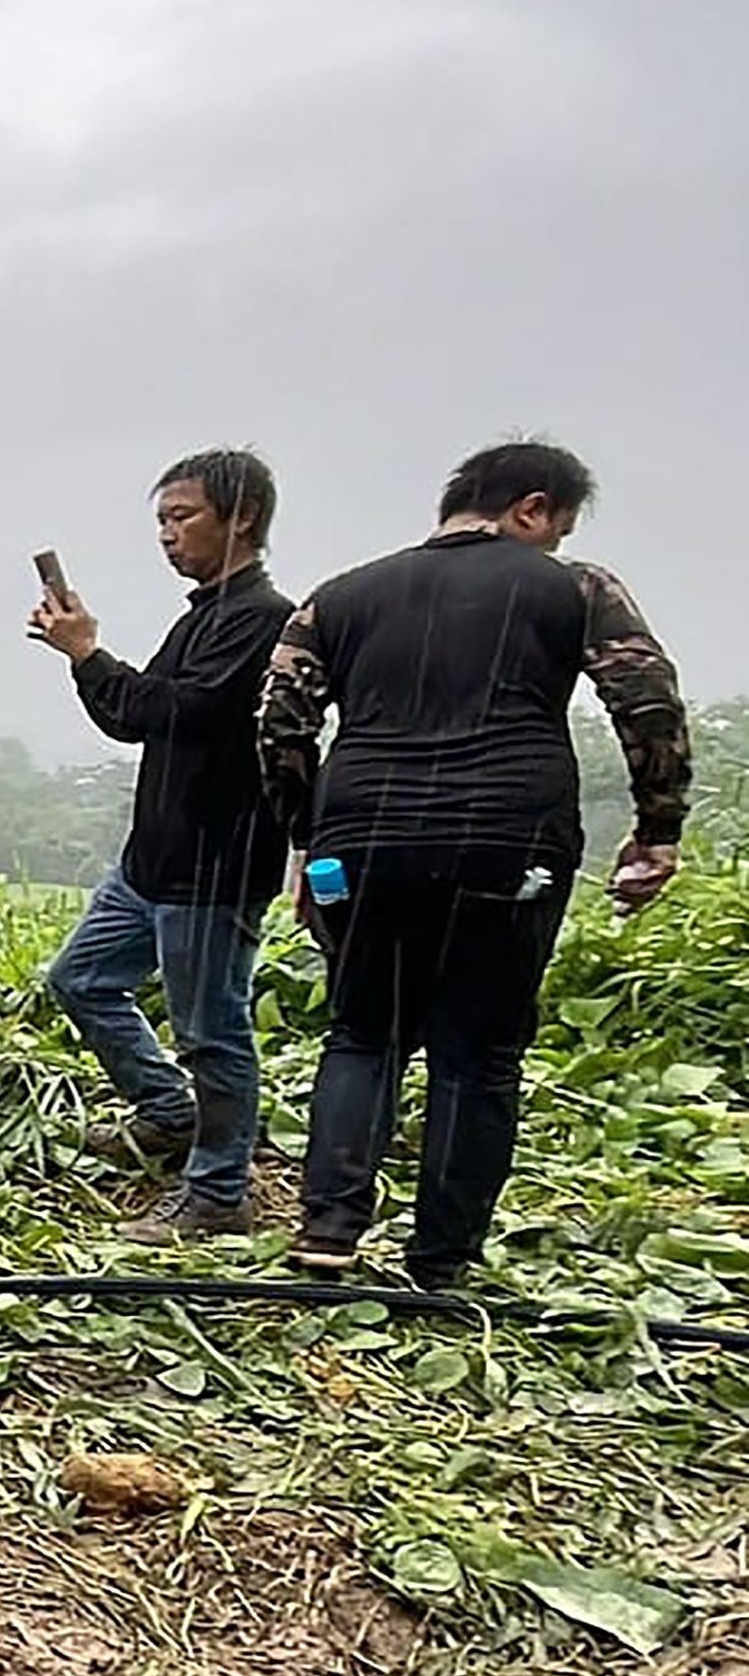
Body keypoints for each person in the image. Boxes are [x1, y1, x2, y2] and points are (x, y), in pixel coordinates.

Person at [257, 439, 690, 1287]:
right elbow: (645, 697)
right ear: (531, 509)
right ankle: (441, 1260)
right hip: (509, 840)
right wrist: (658, 826)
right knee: (478, 1052)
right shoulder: (576, 588)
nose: (554, 544)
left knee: (363, 1034)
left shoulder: (337, 596)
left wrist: (309, 837)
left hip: (362, 841)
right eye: (554, 528)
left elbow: (279, 723)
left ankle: (328, 1230)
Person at [27, 449, 295, 1243]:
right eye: (162, 522)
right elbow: (131, 714)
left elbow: (174, 710)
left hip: (216, 865)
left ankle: (218, 1190)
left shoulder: (262, 618)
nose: (168, 536)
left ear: (241, 516)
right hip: (153, 861)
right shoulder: (204, 614)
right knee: (80, 980)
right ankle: (169, 1114)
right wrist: (88, 658)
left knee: (212, 1029)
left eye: (182, 518)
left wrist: (86, 651)